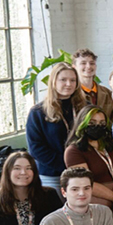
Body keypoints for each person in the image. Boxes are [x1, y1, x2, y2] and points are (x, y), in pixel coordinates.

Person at [64, 105, 113, 221]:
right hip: (97, 200)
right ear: (83, 124)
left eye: (102, 123)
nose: (97, 126)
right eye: (92, 123)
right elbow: (85, 181)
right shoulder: (73, 151)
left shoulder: (111, 144)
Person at [26, 62, 86, 190]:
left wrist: (81, 164)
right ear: (53, 82)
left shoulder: (84, 107)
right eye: (63, 80)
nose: (69, 84)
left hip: (83, 170)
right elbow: (36, 148)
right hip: (53, 175)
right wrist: (67, 164)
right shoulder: (38, 112)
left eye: (73, 80)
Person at [73, 49, 113, 120]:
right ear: (74, 67)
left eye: (92, 63)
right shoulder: (72, 93)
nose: (88, 66)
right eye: (83, 63)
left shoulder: (107, 93)